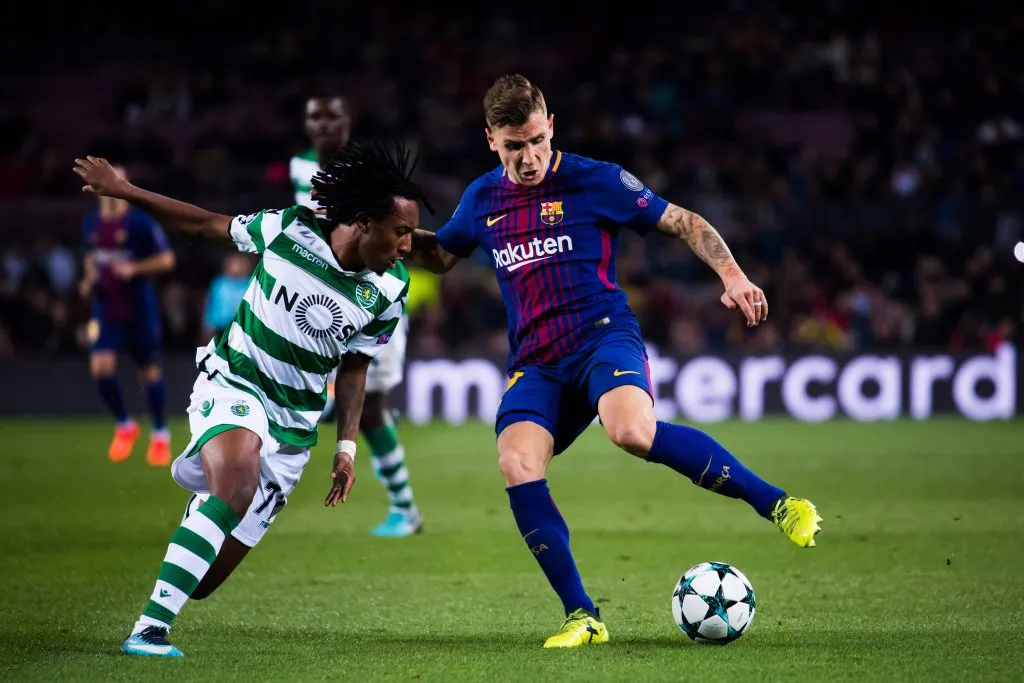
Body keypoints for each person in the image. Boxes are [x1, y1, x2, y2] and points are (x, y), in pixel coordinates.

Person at [408, 74, 822, 649]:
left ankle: (778, 504)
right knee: (515, 463)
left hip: (603, 338)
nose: (528, 158)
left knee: (629, 430)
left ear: (550, 126)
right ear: (490, 140)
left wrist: (733, 276)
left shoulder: (594, 180)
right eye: (513, 146)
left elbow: (685, 222)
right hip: (537, 364)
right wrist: (395, 238)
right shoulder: (482, 199)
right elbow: (441, 256)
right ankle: (583, 616)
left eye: (535, 140)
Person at [72, 138, 433, 658]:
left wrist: (346, 448)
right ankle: (148, 630)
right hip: (235, 381)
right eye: (400, 232)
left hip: (293, 431)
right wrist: (125, 190)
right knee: (237, 478)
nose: (406, 247)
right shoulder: (290, 230)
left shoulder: (389, 291)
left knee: (202, 580)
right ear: (362, 221)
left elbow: (355, 370)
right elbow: (201, 225)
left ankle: (209, 507)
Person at [290, 91, 423, 537]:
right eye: (316, 116)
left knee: (371, 406)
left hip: (371, 294)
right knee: (358, 404)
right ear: (307, 124)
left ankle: (406, 509)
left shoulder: (368, 169)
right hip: (325, 296)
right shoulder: (299, 166)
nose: (324, 124)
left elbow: (397, 225)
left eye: (333, 116)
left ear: (349, 121)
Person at [79, 164, 176, 466]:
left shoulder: (140, 223)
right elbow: (91, 258)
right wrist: (87, 280)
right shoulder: (91, 223)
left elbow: (167, 260)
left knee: (148, 372)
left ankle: (160, 434)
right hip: (107, 307)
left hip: (138, 308)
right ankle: (125, 424)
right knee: (100, 367)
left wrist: (135, 268)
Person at [200, 253, 253, 340]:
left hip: (241, 327)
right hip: (219, 326)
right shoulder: (219, 283)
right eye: (234, 264)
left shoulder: (249, 284)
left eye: (240, 264)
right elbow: (210, 305)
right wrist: (207, 325)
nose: (237, 267)